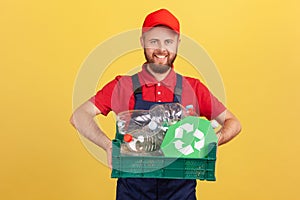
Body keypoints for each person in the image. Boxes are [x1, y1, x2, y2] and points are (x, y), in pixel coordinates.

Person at [70, 8, 241, 200]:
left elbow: (233, 123)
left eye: (168, 41)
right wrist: (108, 145)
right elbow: (79, 116)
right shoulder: (122, 86)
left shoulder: (193, 87)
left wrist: (210, 142)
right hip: (133, 192)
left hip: (180, 193)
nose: (161, 49)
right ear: (142, 42)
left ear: (178, 43)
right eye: (154, 41)